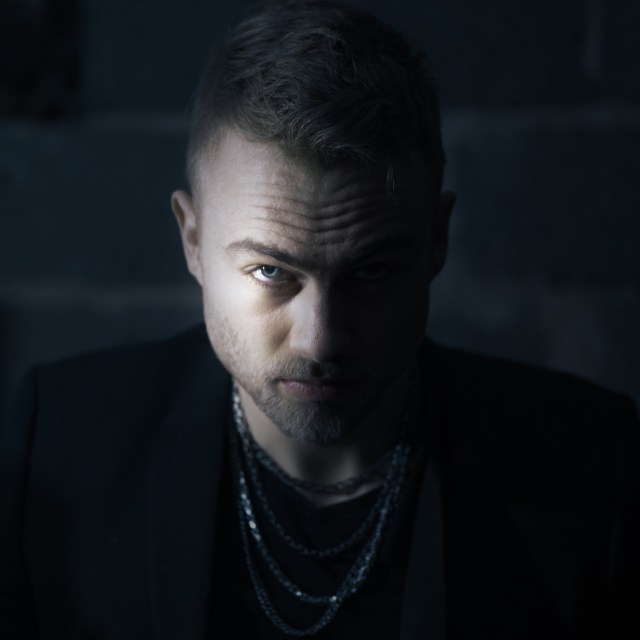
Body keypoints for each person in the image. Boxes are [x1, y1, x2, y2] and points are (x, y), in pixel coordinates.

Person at [1, 1, 638, 638]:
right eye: (270, 271)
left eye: (371, 272)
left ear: (436, 240)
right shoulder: (58, 448)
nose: (321, 340)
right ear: (193, 241)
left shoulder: (590, 471)